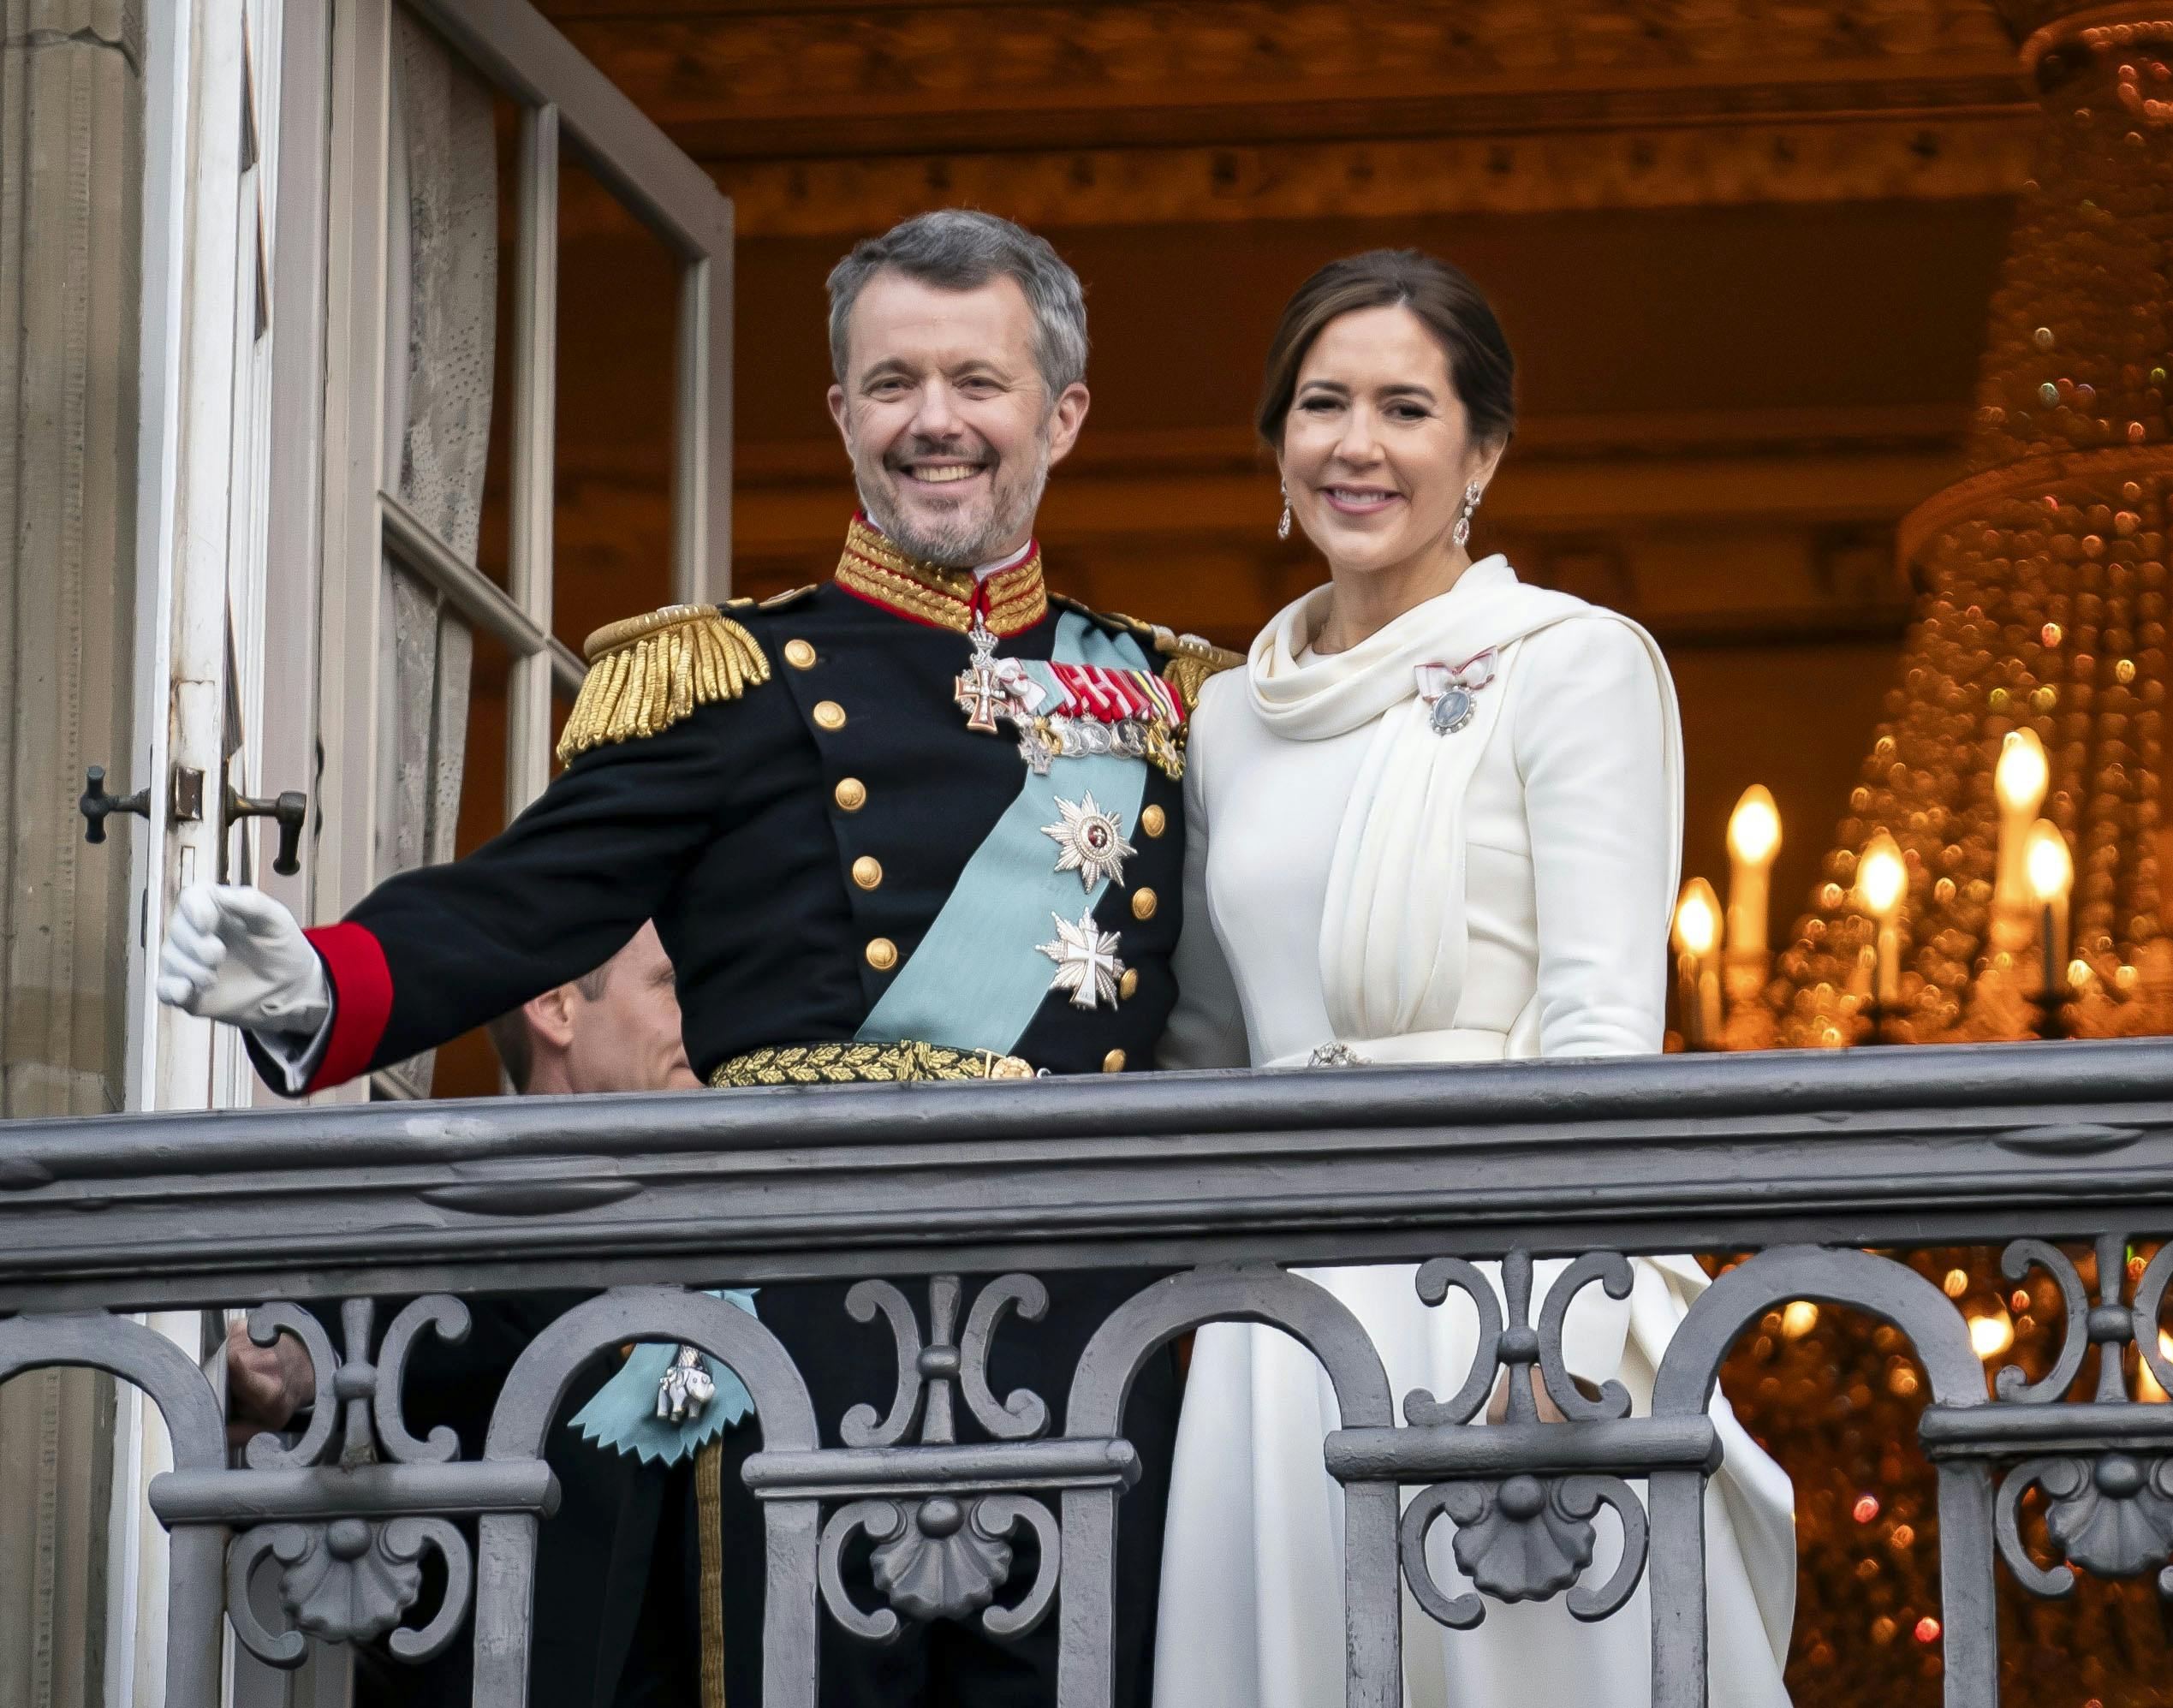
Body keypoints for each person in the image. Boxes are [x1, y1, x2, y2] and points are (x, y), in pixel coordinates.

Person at [166, 208, 1235, 1706]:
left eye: (976, 384)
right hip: (809, 1344)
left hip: (1083, 1336)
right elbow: (527, 899)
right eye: (891, 383)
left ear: (1058, 414)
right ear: (839, 415)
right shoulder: (732, 679)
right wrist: (326, 981)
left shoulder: (1172, 706)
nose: (934, 422)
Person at [1152, 250, 1796, 1707]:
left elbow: (1597, 1024)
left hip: (1493, 1296)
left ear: (1480, 450)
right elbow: (1202, 1040)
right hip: (1277, 1311)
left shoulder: (1568, 664)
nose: (1354, 446)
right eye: (1319, 404)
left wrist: (1548, 1330)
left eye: (1402, 407)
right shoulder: (1230, 718)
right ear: (1276, 443)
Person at [225, 923, 704, 1706]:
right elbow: (385, 1317)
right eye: (670, 984)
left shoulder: (719, 1228)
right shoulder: (457, 1206)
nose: (703, 1019)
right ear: (554, 1005)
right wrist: (288, 1365)